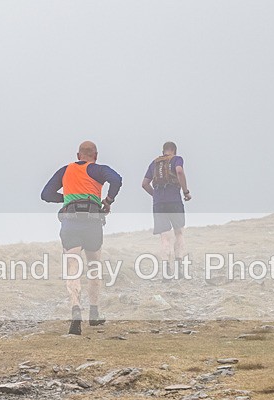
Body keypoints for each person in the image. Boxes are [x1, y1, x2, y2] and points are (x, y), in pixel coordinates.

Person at [41, 141, 123, 335]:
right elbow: (117, 179)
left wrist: (67, 196)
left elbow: (46, 194)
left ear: (78, 155)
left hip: (70, 222)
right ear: (95, 155)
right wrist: (108, 200)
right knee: (94, 266)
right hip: (93, 222)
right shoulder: (97, 169)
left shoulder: (65, 171)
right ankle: (94, 313)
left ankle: (75, 309)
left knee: (73, 268)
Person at [141, 142, 191, 275]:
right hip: (174, 200)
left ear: (163, 151)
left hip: (159, 203)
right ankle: (179, 268)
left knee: (164, 237)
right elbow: (179, 171)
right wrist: (186, 191)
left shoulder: (154, 163)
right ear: (174, 150)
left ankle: (166, 272)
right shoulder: (176, 159)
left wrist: (155, 196)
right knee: (179, 233)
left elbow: (144, 184)